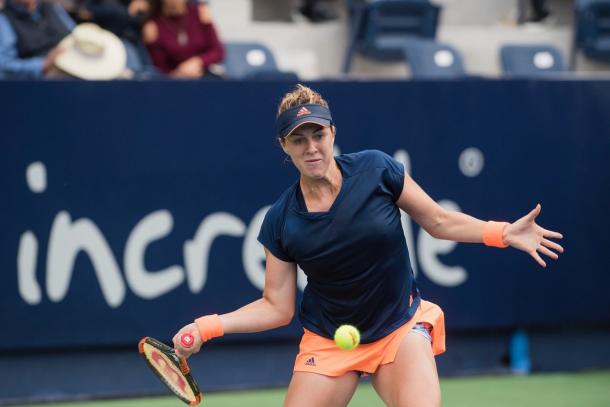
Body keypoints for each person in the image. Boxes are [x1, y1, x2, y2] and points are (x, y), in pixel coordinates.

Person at [171, 84, 564, 406]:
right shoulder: (281, 219)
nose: (311, 148)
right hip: (330, 340)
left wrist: (502, 232)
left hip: (399, 326)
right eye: (299, 139)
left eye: (318, 135)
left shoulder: (377, 170)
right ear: (283, 146)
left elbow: (438, 221)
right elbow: (276, 306)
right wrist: (207, 327)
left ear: (333, 133)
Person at [142, 0, 223, 79]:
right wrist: (179, 74)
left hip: (204, 76)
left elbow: (218, 51)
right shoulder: (152, 26)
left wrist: (198, 62)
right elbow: (159, 68)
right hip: (173, 82)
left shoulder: (200, 12)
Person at [0, 0, 73, 79]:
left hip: (74, 63)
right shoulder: (4, 19)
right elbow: (4, 66)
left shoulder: (52, 7)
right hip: (43, 79)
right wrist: (43, 64)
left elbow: (74, 33)